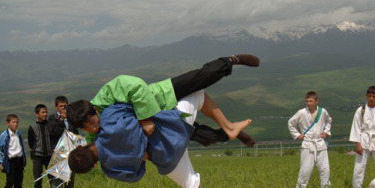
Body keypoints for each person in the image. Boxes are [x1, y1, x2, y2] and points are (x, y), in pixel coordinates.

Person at [68, 90, 247, 188]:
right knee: (199, 96)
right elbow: (133, 106)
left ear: (92, 166)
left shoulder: (110, 168)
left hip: (165, 158)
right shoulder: (108, 118)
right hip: (171, 129)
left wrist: (141, 156)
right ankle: (229, 128)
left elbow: (137, 174)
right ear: (82, 145)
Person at [67, 55, 259, 146]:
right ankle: (229, 131)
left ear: (94, 109)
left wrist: (143, 118)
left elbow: (132, 84)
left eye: (92, 122)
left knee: (202, 77)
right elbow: (94, 144)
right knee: (197, 135)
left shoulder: (104, 97)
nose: (92, 128)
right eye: (86, 128)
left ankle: (231, 60)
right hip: (164, 120)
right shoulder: (93, 132)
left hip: (163, 95)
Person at [288, 91, 332, 188]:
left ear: (316, 101)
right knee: (305, 169)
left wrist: (325, 132)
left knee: (325, 168)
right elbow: (291, 123)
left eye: (311, 101)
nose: (309, 103)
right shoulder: (301, 112)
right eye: (307, 101)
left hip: (320, 142)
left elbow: (329, 121)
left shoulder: (323, 111)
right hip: (308, 143)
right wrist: (297, 135)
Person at [349, 86, 375, 188]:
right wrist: (357, 144)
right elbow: (356, 127)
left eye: (374, 96)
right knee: (359, 166)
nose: (371, 98)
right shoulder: (361, 110)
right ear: (366, 96)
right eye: (370, 96)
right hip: (364, 139)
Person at [48, 96, 79, 188]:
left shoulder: (71, 119)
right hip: (58, 153)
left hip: (70, 152)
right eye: (61, 106)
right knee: (57, 177)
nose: (63, 108)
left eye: (65, 106)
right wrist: (61, 120)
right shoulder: (52, 118)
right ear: (56, 107)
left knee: (70, 176)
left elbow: (75, 134)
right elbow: (54, 133)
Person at [0, 114, 27, 188]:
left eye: (17, 122)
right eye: (13, 122)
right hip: (10, 161)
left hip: (19, 160)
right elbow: (0, 149)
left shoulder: (18, 134)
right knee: (10, 182)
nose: (15, 124)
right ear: (8, 123)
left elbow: (21, 146)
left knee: (19, 182)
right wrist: (0, 162)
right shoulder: (4, 135)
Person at [28, 104, 54, 188]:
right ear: (37, 114)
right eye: (42, 112)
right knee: (38, 179)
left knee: (53, 178)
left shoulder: (51, 125)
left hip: (50, 156)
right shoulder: (32, 127)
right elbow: (31, 142)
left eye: (46, 112)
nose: (45, 114)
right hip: (37, 157)